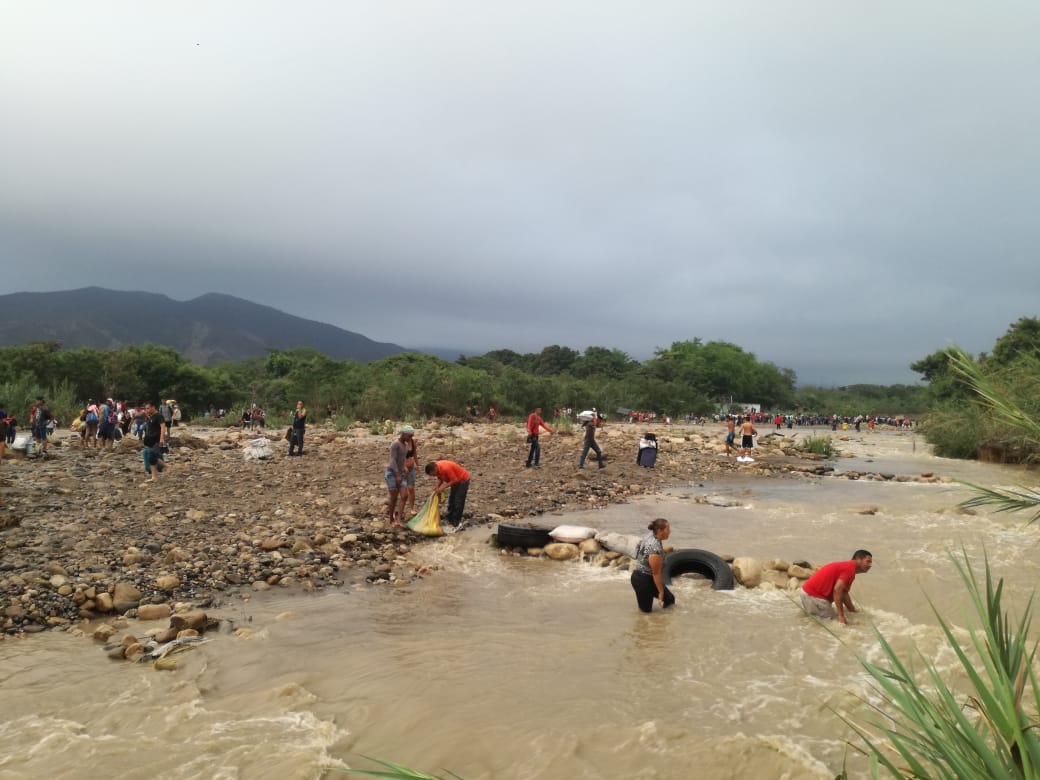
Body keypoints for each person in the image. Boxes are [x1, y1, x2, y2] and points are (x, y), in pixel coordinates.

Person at [800, 550, 873, 625]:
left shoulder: (848, 567)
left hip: (807, 593)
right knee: (834, 625)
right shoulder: (849, 569)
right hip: (814, 597)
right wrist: (841, 615)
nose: (870, 565)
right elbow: (837, 589)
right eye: (868, 561)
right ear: (858, 559)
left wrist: (852, 610)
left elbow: (844, 593)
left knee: (817, 621)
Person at [630, 518, 675, 613]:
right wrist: (661, 592)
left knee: (669, 600)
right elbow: (656, 572)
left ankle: (660, 624)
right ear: (660, 531)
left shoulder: (651, 535)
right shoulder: (655, 549)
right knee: (646, 613)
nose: (670, 532)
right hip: (644, 580)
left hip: (642, 577)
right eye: (668, 529)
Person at [425, 459, 470, 528]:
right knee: (451, 500)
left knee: (458, 501)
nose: (434, 476)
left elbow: (455, 480)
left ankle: (456, 523)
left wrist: (442, 488)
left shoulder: (445, 468)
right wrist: (437, 487)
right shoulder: (437, 469)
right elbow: (440, 478)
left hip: (462, 480)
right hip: (455, 481)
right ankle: (449, 518)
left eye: (433, 474)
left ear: (434, 469)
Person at [384, 425, 415, 526]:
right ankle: (391, 520)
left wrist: (404, 468)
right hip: (392, 472)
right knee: (394, 496)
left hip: (401, 472)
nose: (411, 438)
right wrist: (397, 474)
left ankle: (398, 519)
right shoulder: (395, 444)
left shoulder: (405, 445)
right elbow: (392, 460)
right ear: (404, 434)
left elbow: (402, 459)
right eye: (410, 436)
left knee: (404, 495)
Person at [141, 401, 172, 482]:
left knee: (152, 457)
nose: (146, 410)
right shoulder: (150, 416)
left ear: (153, 407)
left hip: (156, 439)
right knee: (151, 457)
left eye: (148, 408)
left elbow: (163, 427)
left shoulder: (159, 416)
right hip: (149, 440)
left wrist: (162, 438)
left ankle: (166, 466)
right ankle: (154, 477)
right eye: (145, 409)